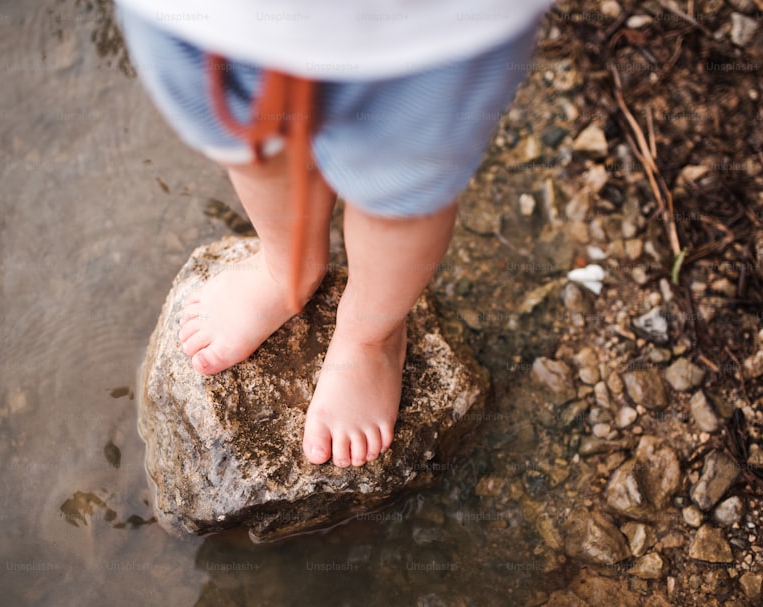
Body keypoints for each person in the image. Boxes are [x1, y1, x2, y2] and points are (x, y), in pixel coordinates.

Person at [115, 0, 552, 468]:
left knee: (400, 195)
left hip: (426, 30)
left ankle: (371, 336)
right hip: (215, 18)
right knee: (254, 144)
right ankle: (285, 269)